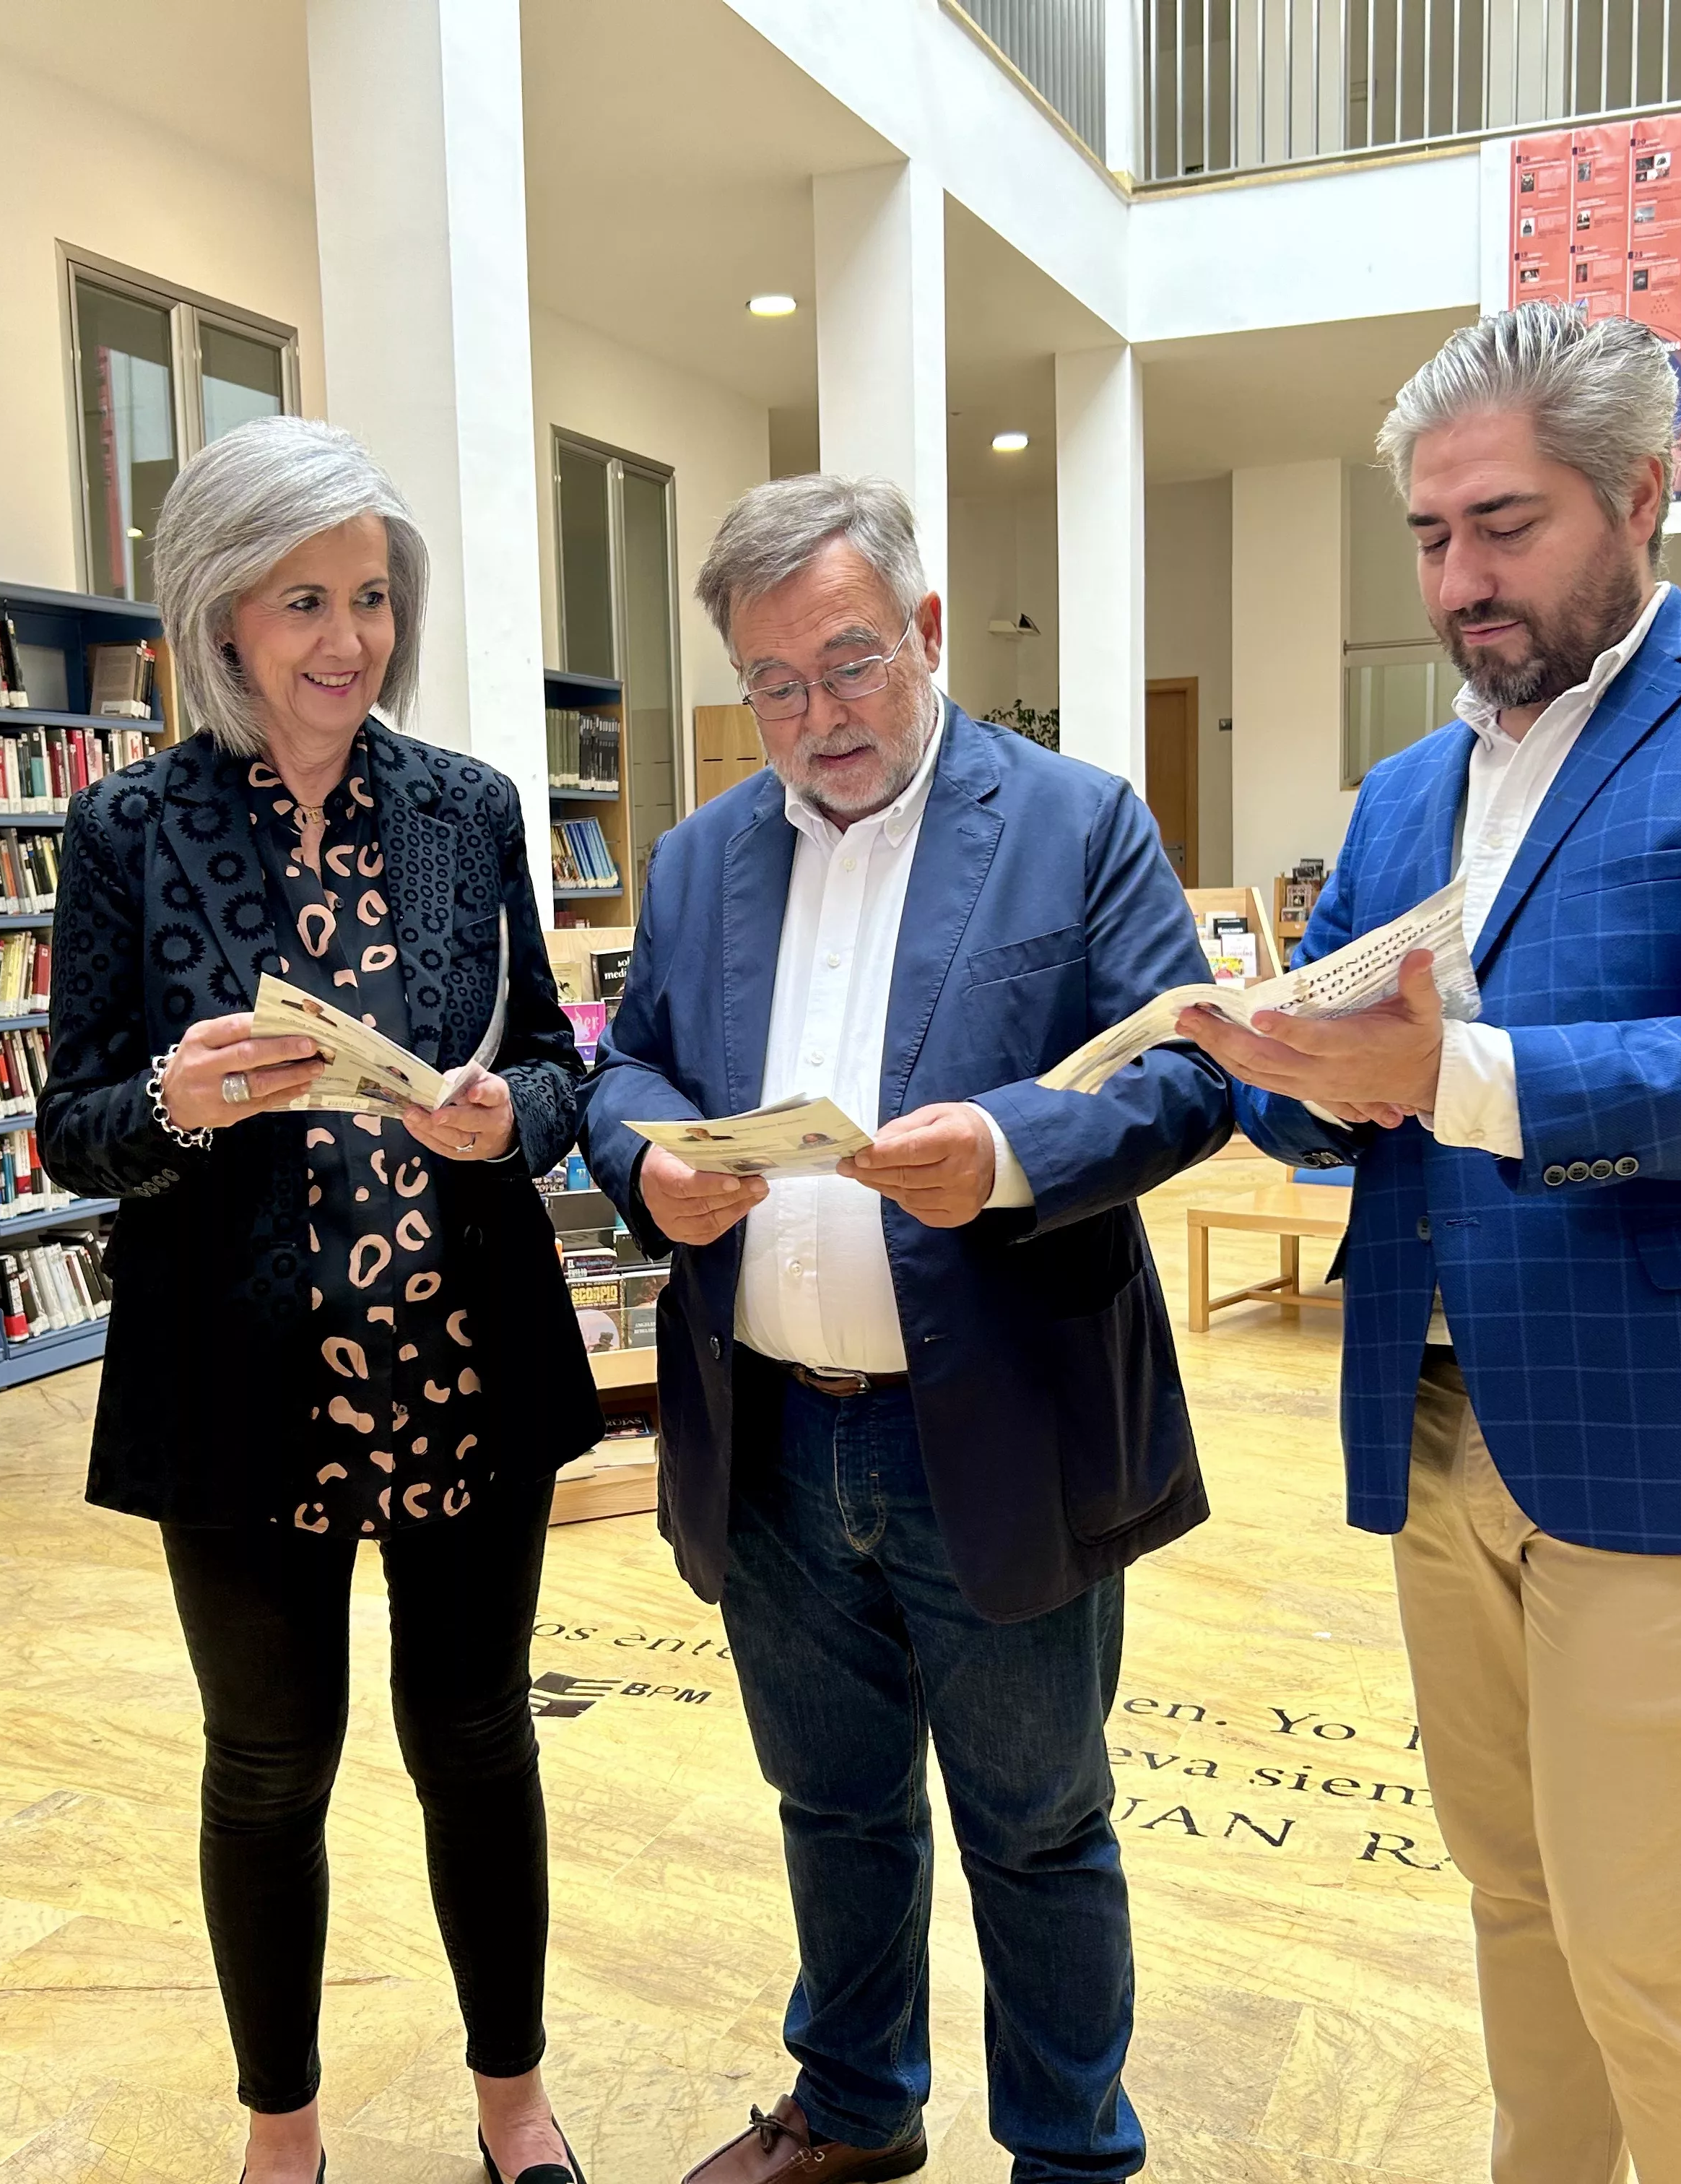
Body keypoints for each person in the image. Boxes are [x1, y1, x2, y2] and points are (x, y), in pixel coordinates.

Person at [1182, 304, 1681, 2184]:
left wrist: (1454, 1072)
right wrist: (1265, 1069)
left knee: (1658, 1950)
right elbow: (1358, 1096)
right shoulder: (1400, 794)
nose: (1461, 579)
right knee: (1514, 1898)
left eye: (1504, 526)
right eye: (1432, 537)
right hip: (1446, 1434)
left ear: (1636, 494)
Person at [582, 475, 1232, 2184]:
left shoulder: (1076, 823)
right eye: (775, 686)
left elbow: (1189, 1076)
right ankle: (858, 2111)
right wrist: (645, 1157)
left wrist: (1016, 1152)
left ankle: (1073, 2152)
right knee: (834, 1806)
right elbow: (627, 1064)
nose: (819, 717)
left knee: (1038, 1822)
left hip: (999, 1423)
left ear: (929, 634)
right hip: (777, 1433)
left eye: (852, 665)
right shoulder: (701, 857)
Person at [42, 415, 605, 2184]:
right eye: (305, 600)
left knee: (477, 1742)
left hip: (460, 1361)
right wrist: (173, 1106)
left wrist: (523, 1113)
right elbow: (72, 1125)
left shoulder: (467, 809)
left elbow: (548, 1057)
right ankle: (281, 2134)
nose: (346, 638)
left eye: (369, 596)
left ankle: (515, 2105)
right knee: (268, 1766)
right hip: (241, 1380)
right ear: (222, 613)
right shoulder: (130, 828)